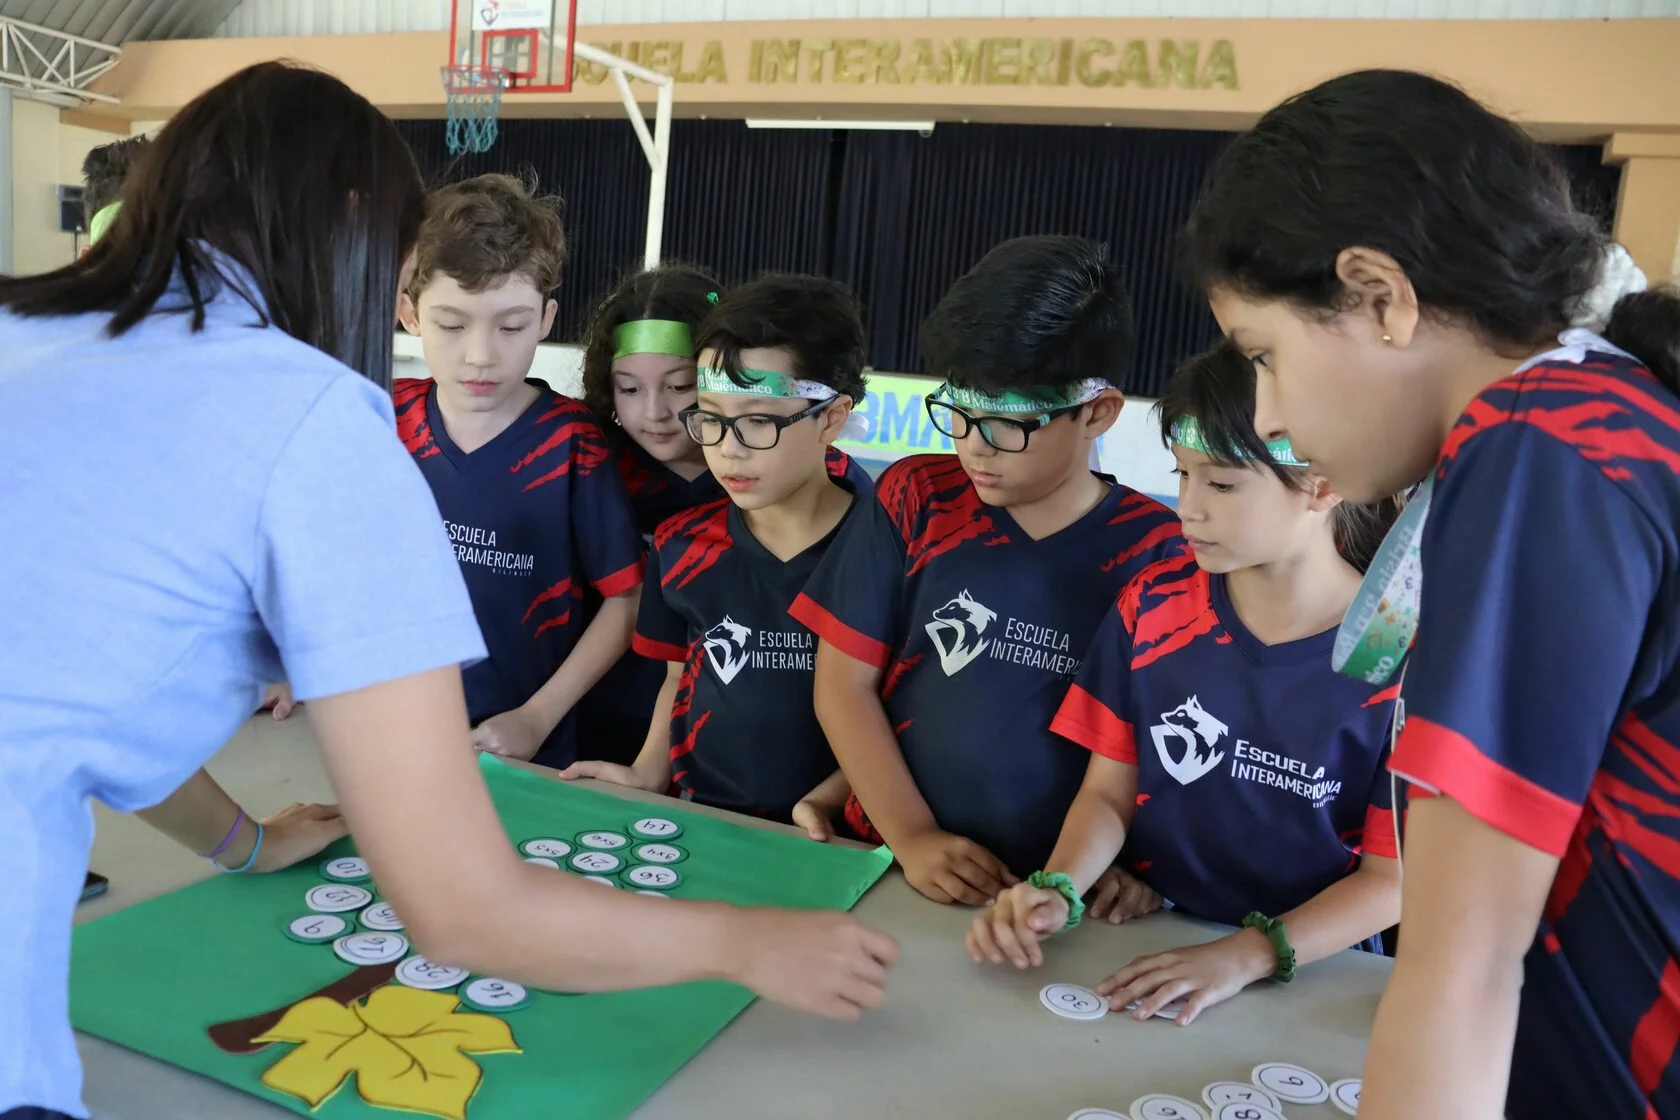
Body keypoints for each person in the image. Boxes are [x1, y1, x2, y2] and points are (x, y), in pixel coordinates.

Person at [0, 60, 895, 1120]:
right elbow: (467, 912)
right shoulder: (318, 422)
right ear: (362, 236)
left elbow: (74, 695)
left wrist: (246, 842)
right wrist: (746, 937)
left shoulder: (27, 338)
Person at [1180, 67, 1680, 1120]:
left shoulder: (1539, 446)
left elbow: (1464, 966)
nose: (1266, 413)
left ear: (1379, 295)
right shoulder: (1614, 421)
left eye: (1263, 356)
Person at [967, 341, 1403, 1026]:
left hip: (1318, 974)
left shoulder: (1399, 658)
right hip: (1150, 944)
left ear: (1323, 484)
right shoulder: (1154, 605)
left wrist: (1243, 955)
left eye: (1222, 484)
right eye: (1184, 476)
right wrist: (1059, 886)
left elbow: (1390, 883)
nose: (1188, 508)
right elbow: (1108, 793)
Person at [792, 235, 1184, 905]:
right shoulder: (917, 498)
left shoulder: (1156, 552)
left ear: (1098, 411)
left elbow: (1158, 747)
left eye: (1007, 424)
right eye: (960, 411)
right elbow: (842, 685)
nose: (974, 445)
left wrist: (1108, 867)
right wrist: (912, 836)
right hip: (886, 858)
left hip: (1055, 893)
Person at [564, 275, 868, 840]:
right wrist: (649, 772)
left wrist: (839, 798)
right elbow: (678, 672)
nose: (728, 447)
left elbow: (889, 700)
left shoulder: (882, 540)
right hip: (691, 809)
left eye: (757, 421)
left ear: (830, 417)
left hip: (834, 831)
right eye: (711, 417)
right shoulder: (679, 539)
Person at [394, 174, 643, 769]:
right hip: (391, 729)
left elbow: (626, 600)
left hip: (526, 749)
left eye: (510, 327)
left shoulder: (572, 445)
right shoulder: (384, 418)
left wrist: (537, 716)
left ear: (546, 318)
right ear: (409, 313)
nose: (481, 354)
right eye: (452, 325)